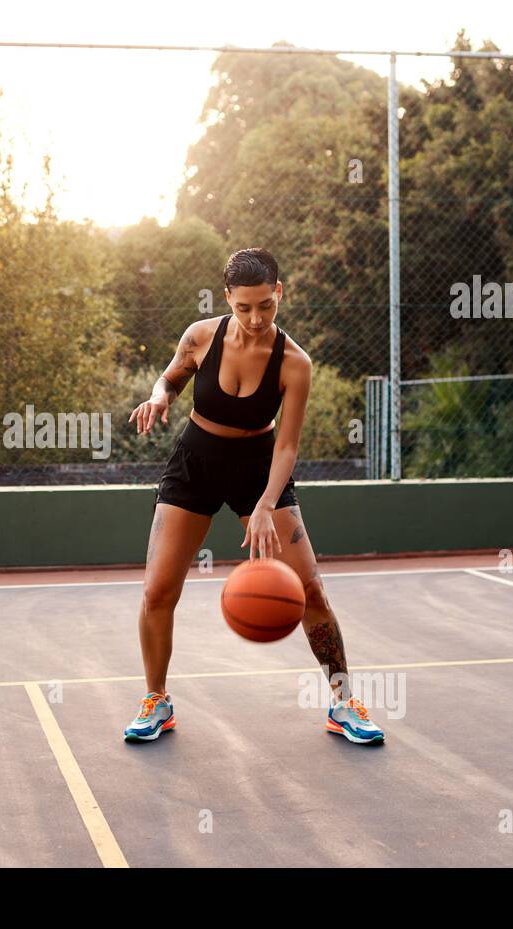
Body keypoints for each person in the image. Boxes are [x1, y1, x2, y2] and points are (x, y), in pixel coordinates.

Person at [123, 248, 384, 745]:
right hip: (195, 462)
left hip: (261, 469)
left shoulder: (294, 362)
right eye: (245, 307)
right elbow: (172, 379)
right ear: (228, 299)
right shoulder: (201, 336)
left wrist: (265, 503)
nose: (257, 317)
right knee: (158, 590)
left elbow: (287, 444)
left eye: (266, 304)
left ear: (278, 293)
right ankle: (156, 700)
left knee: (310, 592)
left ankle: (344, 702)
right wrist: (159, 396)